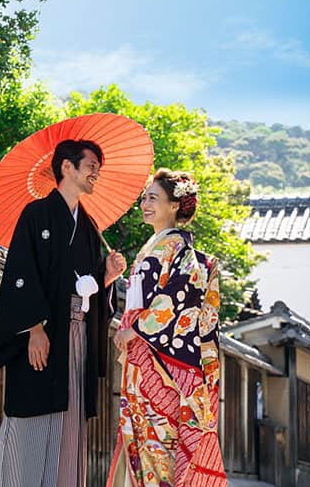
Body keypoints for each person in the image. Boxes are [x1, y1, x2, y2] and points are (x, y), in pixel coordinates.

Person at [0, 139, 127, 487]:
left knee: (70, 416)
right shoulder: (36, 215)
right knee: (32, 415)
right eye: (91, 165)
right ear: (67, 167)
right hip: (44, 332)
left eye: (98, 167)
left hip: (76, 334)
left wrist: (106, 276)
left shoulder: (91, 227)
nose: (96, 173)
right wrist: (33, 328)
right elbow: (21, 273)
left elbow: (89, 286)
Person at [107, 169, 226, 487]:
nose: (144, 204)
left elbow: (177, 298)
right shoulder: (154, 246)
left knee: (158, 444)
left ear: (175, 205)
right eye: (144, 198)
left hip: (161, 360)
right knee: (141, 439)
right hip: (142, 354)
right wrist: (129, 321)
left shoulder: (179, 250)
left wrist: (137, 328)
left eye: (153, 198)